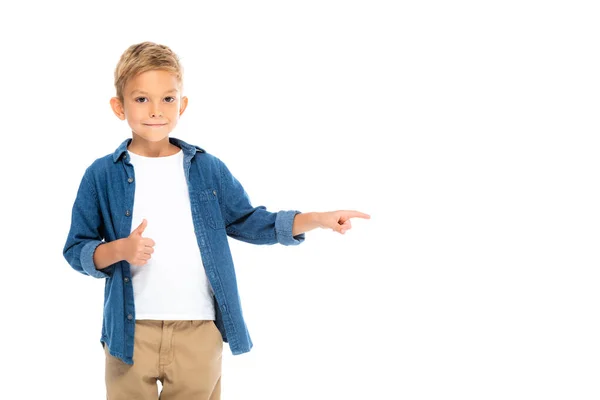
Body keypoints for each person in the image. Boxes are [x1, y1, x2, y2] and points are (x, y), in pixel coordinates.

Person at [63, 41, 370, 400]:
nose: (156, 110)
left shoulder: (207, 169)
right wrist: (120, 249)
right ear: (119, 106)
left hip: (199, 330)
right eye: (141, 99)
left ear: (183, 104)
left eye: (168, 99)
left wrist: (315, 219)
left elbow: (251, 222)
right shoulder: (101, 175)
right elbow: (77, 249)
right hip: (128, 334)